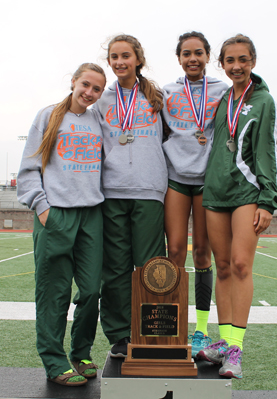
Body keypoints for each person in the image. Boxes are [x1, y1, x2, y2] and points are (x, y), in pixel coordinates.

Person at [197, 34, 277, 379]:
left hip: (248, 192)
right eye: (230, 60)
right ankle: (222, 341)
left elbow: (269, 151)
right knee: (222, 267)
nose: (237, 66)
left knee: (241, 264)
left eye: (243, 60)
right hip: (216, 191)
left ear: (253, 62)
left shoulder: (264, 101)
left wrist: (268, 199)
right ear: (222, 64)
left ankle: (236, 349)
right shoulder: (220, 100)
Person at [17, 63, 107, 387]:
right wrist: (42, 208)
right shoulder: (48, 115)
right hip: (56, 214)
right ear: (73, 82)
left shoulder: (99, 119)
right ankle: (54, 362)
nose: (89, 93)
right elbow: (29, 166)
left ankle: (81, 352)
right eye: (85, 84)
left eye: (97, 89)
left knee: (92, 290)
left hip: (91, 215)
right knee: (54, 293)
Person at [95, 34, 168, 358]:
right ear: (109, 61)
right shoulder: (102, 101)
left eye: (126, 55)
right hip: (112, 191)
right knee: (116, 268)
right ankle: (120, 335)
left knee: (151, 265)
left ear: (138, 58)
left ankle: (154, 329)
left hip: (149, 189)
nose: (120, 61)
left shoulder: (158, 96)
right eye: (114, 57)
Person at [161, 31, 228, 358]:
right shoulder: (168, 91)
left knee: (202, 253)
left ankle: (201, 331)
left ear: (207, 56)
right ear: (179, 58)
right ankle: (173, 327)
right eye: (186, 53)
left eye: (198, 53)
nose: (192, 58)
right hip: (176, 178)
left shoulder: (222, 90)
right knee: (174, 252)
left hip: (206, 181)